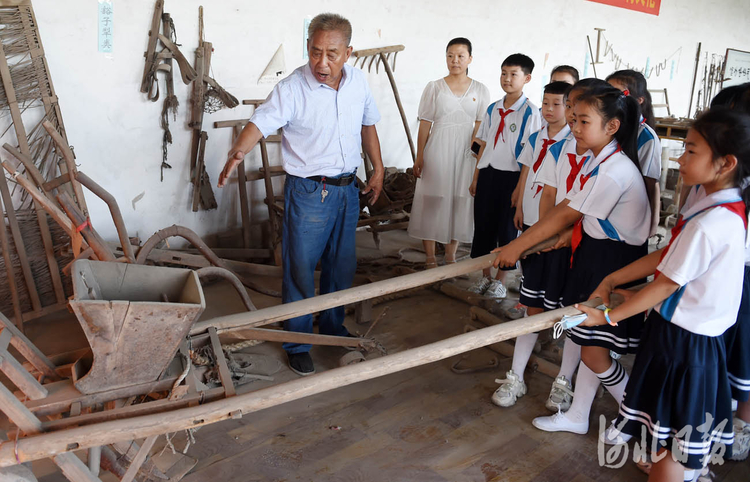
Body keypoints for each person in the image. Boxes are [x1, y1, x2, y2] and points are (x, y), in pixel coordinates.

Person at [579, 108, 750, 481]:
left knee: (671, 446)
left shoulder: (711, 222)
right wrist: (613, 280)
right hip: (686, 339)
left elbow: (665, 284)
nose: (680, 157)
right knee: (666, 439)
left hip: (684, 346)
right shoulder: (717, 205)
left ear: (725, 163)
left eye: (691, 151)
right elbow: (668, 256)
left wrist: (605, 316)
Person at [217, 13, 385, 376]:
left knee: (341, 267)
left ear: (349, 53)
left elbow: (368, 123)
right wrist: (239, 152)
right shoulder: (293, 88)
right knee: (299, 269)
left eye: (332, 54)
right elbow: (260, 122)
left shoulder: (358, 82)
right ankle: (297, 342)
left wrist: (378, 168)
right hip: (310, 192)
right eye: (314, 52)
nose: (321, 63)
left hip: (346, 190)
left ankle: (332, 326)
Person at [492, 85, 651, 435]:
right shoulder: (601, 159)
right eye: (573, 119)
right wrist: (544, 241)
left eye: (583, 121)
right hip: (597, 252)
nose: (574, 127)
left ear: (611, 126)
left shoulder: (613, 168)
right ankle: (579, 414)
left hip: (612, 261)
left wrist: (518, 247)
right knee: (588, 342)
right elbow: (572, 212)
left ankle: (637, 412)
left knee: (594, 350)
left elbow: (567, 212)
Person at [491, 81, 573, 409]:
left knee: (566, 311)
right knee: (531, 302)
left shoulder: (573, 144)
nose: (549, 110)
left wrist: (553, 230)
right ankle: (516, 376)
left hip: (560, 236)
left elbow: (563, 196)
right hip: (533, 228)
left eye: (557, 104)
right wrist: (521, 204)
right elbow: (527, 172)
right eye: (545, 103)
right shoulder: (538, 136)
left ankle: (564, 381)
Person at [408, 38, 490, 268]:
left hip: (465, 153)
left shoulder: (480, 90)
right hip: (438, 149)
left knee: (458, 200)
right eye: (450, 55)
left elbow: (479, 128)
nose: (455, 60)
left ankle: (451, 257)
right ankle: (431, 258)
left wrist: (476, 160)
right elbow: (425, 124)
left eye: (460, 56)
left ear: (470, 59)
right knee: (433, 199)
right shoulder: (434, 87)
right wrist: (420, 155)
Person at [468, 53, 541, 298]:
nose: (507, 79)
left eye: (513, 74)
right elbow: (483, 144)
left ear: (527, 78)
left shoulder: (530, 113)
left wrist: (520, 190)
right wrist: (476, 177)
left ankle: (501, 280)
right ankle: (485, 277)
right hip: (489, 175)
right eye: (503, 73)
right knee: (484, 226)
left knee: (507, 230)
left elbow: (529, 155)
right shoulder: (493, 108)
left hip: (513, 178)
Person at [606, 70, 662, 236]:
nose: (610, 100)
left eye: (618, 94)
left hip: (629, 217)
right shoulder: (605, 128)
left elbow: (650, 183)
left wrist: (652, 223)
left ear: (638, 101)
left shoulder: (646, 137)